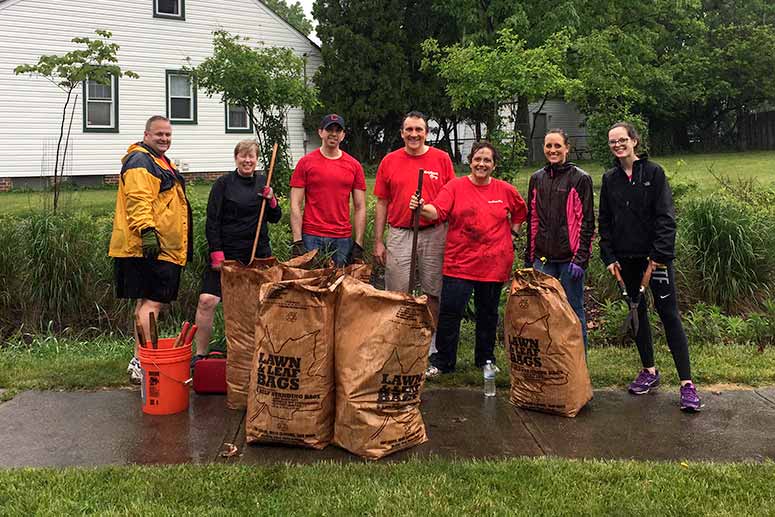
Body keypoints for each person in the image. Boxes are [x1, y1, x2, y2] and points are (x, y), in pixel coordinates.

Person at [599, 121, 702, 412]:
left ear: (634, 141)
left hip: (654, 261)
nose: (617, 145)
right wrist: (609, 257)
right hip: (625, 260)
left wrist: (659, 254)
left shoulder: (654, 173)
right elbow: (604, 223)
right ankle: (649, 371)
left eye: (622, 140)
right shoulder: (610, 179)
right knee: (637, 313)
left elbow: (666, 218)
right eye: (612, 142)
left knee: (669, 315)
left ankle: (687, 385)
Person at [409, 141, 526, 376]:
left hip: (493, 263)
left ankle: (485, 359)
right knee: (451, 312)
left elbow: (520, 212)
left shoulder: (505, 190)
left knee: (488, 313)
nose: (481, 164)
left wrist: (513, 234)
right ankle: (443, 360)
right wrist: (421, 207)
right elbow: (437, 211)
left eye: (487, 160)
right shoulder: (455, 187)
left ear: (494, 165)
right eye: (477, 159)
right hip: (459, 263)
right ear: (470, 161)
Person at [109, 115, 192, 384]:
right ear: (146, 134)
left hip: (157, 246)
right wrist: (147, 233)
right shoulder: (141, 161)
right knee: (153, 303)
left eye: (168, 135)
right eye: (159, 134)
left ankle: (139, 359)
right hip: (152, 247)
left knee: (145, 303)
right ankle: (144, 360)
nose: (164, 139)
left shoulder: (157, 161)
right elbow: (138, 199)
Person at [373, 111, 456, 357]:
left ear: (427, 133)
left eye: (419, 130)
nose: (414, 134)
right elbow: (381, 202)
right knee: (397, 290)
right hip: (400, 233)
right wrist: (378, 241)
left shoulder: (441, 159)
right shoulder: (389, 161)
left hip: (434, 233)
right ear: (401, 133)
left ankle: (430, 345)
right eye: (409, 130)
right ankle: (399, 341)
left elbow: (451, 198)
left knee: (433, 290)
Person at [191, 139, 281, 365]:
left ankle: (256, 354)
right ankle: (200, 354)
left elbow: (276, 217)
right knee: (207, 301)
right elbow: (212, 221)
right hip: (227, 255)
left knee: (258, 305)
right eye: (243, 156)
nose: (247, 160)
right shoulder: (223, 184)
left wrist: (271, 200)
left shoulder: (264, 183)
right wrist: (217, 254)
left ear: (256, 160)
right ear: (236, 158)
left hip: (257, 254)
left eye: (251, 156)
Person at [525, 129, 595, 351]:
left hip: (569, 259)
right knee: (542, 311)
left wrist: (581, 258)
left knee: (573, 309)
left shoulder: (580, 178)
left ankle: (578, 361)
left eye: (557, 146)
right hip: (544, 258)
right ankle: (551, 358)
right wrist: (530, 256)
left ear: (567, 148)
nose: (553, 150)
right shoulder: (537, 178)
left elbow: (587, 222)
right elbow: (532, 218)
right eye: (548, 146)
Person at [290, 114, 366, 266]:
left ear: (343, 135)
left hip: (342, 238)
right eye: (329, 129)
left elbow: (360, 206)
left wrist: (358, 243)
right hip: (312, 235)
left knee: (339, 285)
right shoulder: (305, 163)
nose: (333, 133)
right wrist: (297, 240)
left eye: (338, 130)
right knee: (311, 284)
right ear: (320, 132)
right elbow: (295, 203)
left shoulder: (354, 165)